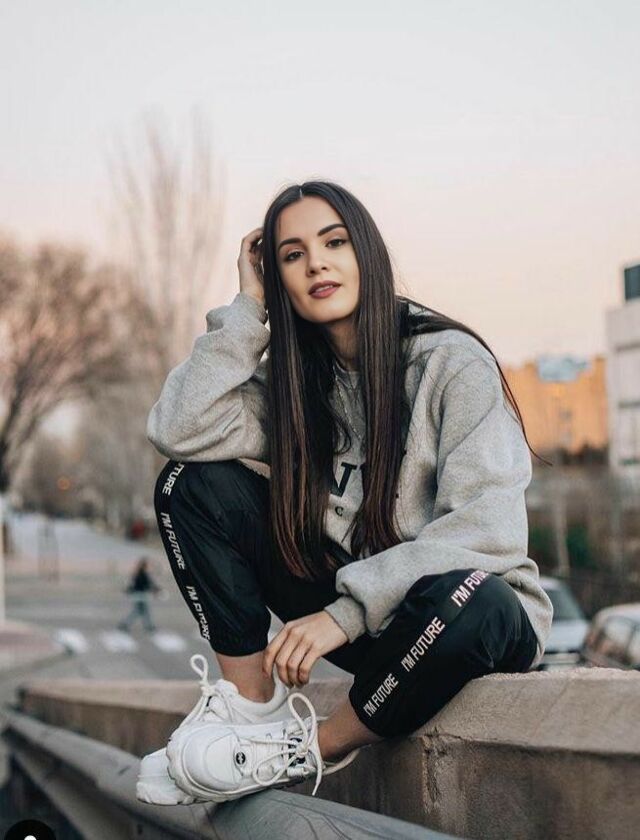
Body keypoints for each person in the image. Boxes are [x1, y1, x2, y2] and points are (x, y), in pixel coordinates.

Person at [136, 180, 554, 806]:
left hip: (457, 621)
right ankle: (248, 715)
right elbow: (178, 429)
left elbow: (485, 533)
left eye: (334, 243)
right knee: (189, 485)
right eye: (292, 255)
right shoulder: (295, 386)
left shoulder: (450, 363)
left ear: (367, 253)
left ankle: (302, 750)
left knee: (475, 595)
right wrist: (248, 308)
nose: (317, 264)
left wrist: (344, 615)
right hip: (363, 616)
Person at [118, 557, 161, 633]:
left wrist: (128, 590)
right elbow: (148, 584)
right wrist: (156, 589)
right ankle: (148, 626)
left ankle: (126, 624)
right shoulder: (144, 574)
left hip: (138, 595)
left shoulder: (137, 574)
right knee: (142, 611)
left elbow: (133, 585)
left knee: (139, 611)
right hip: (142, 595)